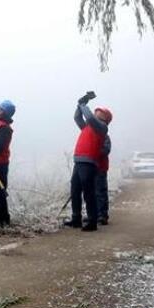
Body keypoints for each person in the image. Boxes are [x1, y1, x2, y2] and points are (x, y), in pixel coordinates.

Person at [65, 92, 111, 232]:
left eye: (100, 113)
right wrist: (81, 104)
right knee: (75, 190)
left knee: (88, 192)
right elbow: (77, 117)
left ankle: (92, 221)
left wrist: (83, 103)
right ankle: (76, 219)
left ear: (105, 118)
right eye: (97, 111)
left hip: (89, 162)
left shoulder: (101, 128)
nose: (97, 113)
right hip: (79, 160)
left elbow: (89, 117)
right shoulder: (87, 127)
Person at [96, 133, 112, 225]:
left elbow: (105, 150)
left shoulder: (105, 136)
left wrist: (94, 150)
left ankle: (102, 215)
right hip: (92, 166)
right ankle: (96, 214)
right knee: (93, 192)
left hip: (100, 167)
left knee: (100, 191)